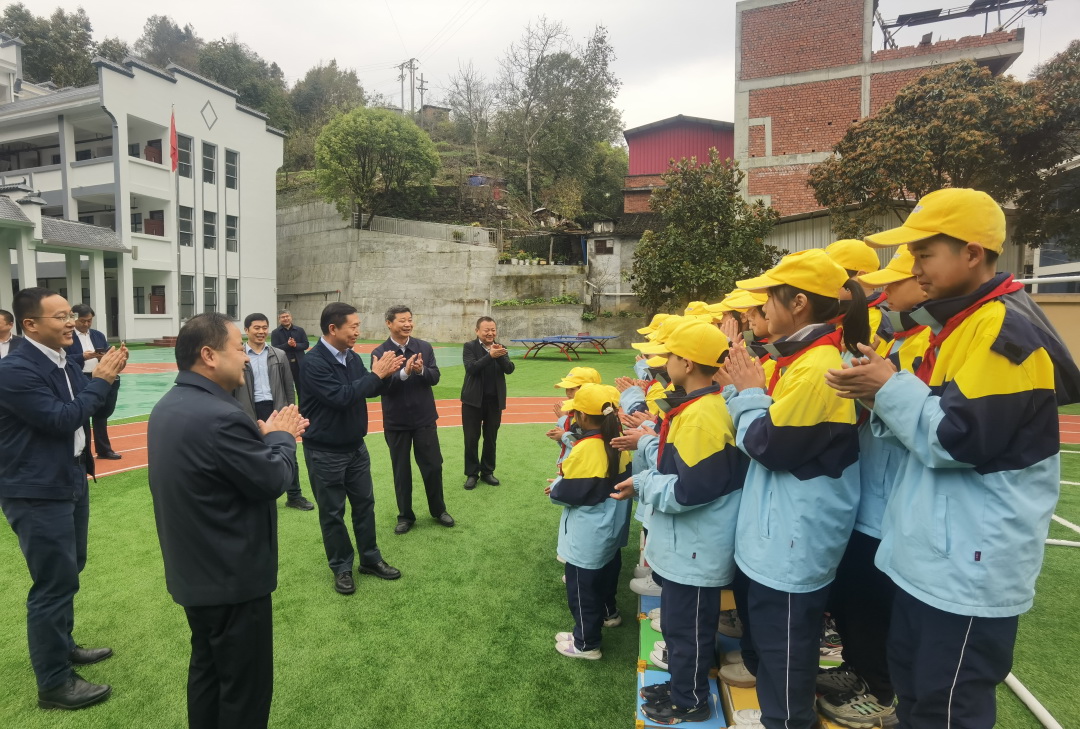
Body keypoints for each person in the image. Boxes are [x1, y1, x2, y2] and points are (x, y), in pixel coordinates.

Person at [824, 188, 1080, 729]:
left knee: (946, 704)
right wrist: (876, 393)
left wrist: (888, 388)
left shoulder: (1002, 330)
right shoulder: (963, 324)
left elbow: (959, 441)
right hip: (937, 555)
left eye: (924, 254)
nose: (915, 268)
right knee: (917, 691)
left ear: (972, 253)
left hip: (969, 565)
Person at [724, 249, 868, 729]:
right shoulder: (801, 359)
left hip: (792, 541)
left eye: (769, 299)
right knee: (775, 647)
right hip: (779, 534)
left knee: (785, 653)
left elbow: (767, 446)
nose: (762, 309)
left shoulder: (817, 366)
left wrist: (748, 392)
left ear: (799, 303)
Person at [147, 312, 306, 729]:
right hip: (232, 580)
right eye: (238, 348)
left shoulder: (169, 405)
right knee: (244, 689)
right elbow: (272, 480)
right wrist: (281, 437)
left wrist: (260, 440)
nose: (247, 358)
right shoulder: (221, 416)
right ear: (209, 355)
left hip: (194, 573)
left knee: (208, 671)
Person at [815, 246, 929, 727]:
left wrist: (879, 393)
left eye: (894, 283)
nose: (884, 293)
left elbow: (929, 427)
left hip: (891, 503)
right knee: (852, 597)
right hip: (868, 493)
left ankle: (879, 692)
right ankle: (858, 670)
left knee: (874, 603)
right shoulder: (898, 342)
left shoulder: (922, 345)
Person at [614, 320, 748, 725]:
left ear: (687, 363)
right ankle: (680, 686)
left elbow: (690, 490)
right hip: (686, 546)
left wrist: (642, 483)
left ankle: (689, 700)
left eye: (671, 354)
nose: (664, 361)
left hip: (696, 547)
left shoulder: (703, 415)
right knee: (678, 624)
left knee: (688, 628)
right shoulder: (696, 407)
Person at [0, 287, 127, 710]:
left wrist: (110, 377)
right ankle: (54, 684)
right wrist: (101, 379)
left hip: (70, 475)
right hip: (36, 488)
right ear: (30, 325)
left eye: (70, 314)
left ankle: (63, 645)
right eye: (60, 317)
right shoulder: (14, 370)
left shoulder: (65, 361)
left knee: (71, 569)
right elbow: (60, 419)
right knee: (53, 583)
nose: (71, 321)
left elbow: (96, 411)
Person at [300, 302, 405, 595]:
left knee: (364, 506)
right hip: (325, 451)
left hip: (355, 447)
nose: (358, 331)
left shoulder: (352, 357)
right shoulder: (313, 362)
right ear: (333, 328)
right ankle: (341, 567)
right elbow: (341, 397)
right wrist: (376, 375)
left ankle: (370, 559)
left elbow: (368, 389)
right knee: (333, 513)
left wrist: (390, 374)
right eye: (354, 326)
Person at [548, 383, 631, 660]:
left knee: (581, 589)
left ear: (582, 416)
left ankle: (586, 643)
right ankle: (606, 617)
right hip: (610, 527)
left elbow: (567, 493)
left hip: (589, 532)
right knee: (604, 578)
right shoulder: (618, 442)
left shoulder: (587, 448)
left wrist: (557, 485)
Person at [370, 305, 454, 534]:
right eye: (402, 320)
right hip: (396, 422)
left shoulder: (423, 347)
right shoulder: (380, 352)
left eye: (410, 319)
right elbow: (381, 387)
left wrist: (421, 370)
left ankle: (438, 510)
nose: (407, 324)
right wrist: (404, 373)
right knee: (401, 471)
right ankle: (405, 516)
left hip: (424, 419)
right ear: (389, 323)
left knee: (433, 466)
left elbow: (435, 377)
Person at [232, 312, 314, 511]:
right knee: (252, 454)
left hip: (276, 409)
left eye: (264, 328)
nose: (261, 332)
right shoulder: (238, 356)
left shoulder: (279, 354)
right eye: (256, 328)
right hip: (249, 409)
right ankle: (256, 495)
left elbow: (288, 385)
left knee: (287, 451)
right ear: (247, 330)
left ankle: (294, 495)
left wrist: (291, 410)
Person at [460, 316, 515, 489]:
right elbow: (471, 368)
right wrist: (490, 356)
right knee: (471, 438)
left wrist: (499, 355)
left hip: (494, 402)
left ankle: (487, 472)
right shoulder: (469, 347)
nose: (490, 333)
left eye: (493, 330)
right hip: (472, 401)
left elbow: (509, 369)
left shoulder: (500, 347)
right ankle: (471, 473)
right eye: (486, 330)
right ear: (477, 331)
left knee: (491, 438)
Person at [64, 304, 122, 460]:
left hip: (98, 377)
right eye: (83, 321)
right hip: (78, 377)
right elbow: (64, 358)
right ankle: (83, 451)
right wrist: (83, 356)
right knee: (82, 414)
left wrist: (109, 355)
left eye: (89, 321)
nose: (86, 324)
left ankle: (104, 450)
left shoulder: (98, 335)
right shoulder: (67, 335)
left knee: (101, 415)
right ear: (74, 318)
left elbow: (107, 351)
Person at [546, 366, 602, 466]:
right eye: (566, 388)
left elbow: (581, 442)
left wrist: (563, 429)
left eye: (572, 389)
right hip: (571, 464)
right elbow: (571, 442)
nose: (568, 392)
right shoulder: (573, 410)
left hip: (581, 467)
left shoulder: (590, 415)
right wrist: (559, 436)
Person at [271, 309, 309, 398]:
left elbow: (306, 344)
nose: (285, 318)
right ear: (279, 319)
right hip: (284, 364)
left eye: (287, 316)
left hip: (299, 364)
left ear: (291, 317)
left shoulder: (300, 330)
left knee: (302, 388)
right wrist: (287, 345)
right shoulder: (275, 333)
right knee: (286, 389)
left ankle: (302, 406)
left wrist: (296, 345)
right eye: (283, 317)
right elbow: (275, 348)